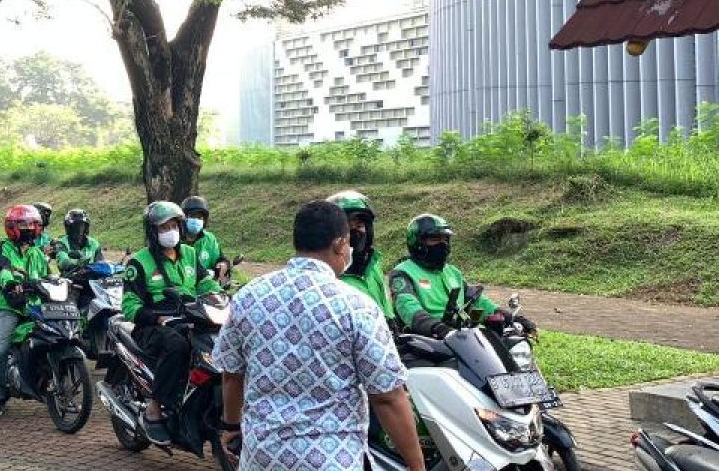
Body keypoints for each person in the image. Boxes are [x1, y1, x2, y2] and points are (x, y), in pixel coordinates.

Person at [213, 200, 425, 471]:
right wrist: (417, 467)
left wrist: (232, 424)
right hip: (330, 459)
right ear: (339, 244)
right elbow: (387, 396)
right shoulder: (356, 306)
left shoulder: (249, 297)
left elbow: (232, 374)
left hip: (262, 457)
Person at [121, 200, 222, 446]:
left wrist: (222, 299)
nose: (171, 232)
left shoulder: (190, 254)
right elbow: (129, 305)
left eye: (174, 225)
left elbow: (207, 285)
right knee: (178, 346)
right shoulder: (139, 262)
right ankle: (154, 408)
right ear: (153, 232)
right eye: (164, 227)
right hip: (153, 325)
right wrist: (156, 317)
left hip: (190, 317)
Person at [389, 214, 536, 338]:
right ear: (417, 242)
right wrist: (437, 327)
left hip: (459, 338)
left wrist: (506, 316)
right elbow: (408, 307)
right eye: (435, 239)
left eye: (445, 239)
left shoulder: (452, 272)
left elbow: (474, 302)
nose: (442, 244)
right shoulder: (403, 273)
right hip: (424, 341)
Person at [0, 203, 53, 422]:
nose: (30, 228)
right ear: (12, 226)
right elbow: (3, 270)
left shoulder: (36, 253)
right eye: (24, 224)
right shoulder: (3, 247)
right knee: (1, 349)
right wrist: (12, 283)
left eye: (33, 224)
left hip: (34, 306)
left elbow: (50, 275)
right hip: (9, 306)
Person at [328, 190, 393, 319]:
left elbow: (385, 304)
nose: (355, 232)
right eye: (347, 227)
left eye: (359, 225)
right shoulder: (331, 274)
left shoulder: (372, 265)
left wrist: (390, 320)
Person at [180, 195, 228, 277]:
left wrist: (223, 264)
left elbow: (220, 258)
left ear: (204, 221)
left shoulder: (209, 239)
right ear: (184, 218)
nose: (196, 220)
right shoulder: (176, 240)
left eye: (199, 217)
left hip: (207, 284)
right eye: (192, 216)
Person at [53, 208, 103, 274]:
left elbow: (100, 263)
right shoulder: (61, 242)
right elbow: (63, 261)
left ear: (86, 227)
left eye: (81, 226)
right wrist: (76, 266)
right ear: (68, 227)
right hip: (70, 279)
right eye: (75, 226)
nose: (78, 229)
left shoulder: (94, 244)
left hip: (92, 280)